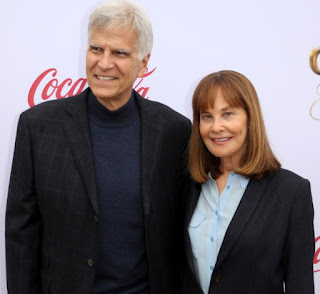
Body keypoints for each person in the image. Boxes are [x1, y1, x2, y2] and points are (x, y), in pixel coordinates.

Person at [5, 1, 191, 293]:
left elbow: (183, 233)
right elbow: (21, 235)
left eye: (120, 52)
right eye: (96, 49)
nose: (104, 63)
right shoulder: (37, 126)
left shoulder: (175, 130)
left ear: (144, 63)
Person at [181, 70, 315, 294]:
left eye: (227, 114)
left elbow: (300, 284)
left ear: (250, 118)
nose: (216, 127)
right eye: (206, 116)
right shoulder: (189, 185)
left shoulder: (291, 192)